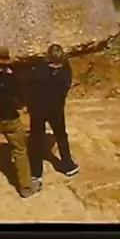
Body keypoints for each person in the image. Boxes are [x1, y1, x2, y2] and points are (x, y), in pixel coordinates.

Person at [0, 46, 37, 199]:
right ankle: (25, 188)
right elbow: (20, 99)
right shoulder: (12, 79)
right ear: (6, 63)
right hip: (10, 119)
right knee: (20, 151)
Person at [28, 43, 79, 180]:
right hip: (55, 109)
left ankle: (35, 172)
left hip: (38, 109)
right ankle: (68, 165)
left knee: (36, 139)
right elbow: (65, 87)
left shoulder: (38, 69)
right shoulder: (65, 70)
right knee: (61, 135)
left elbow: (30, 88)